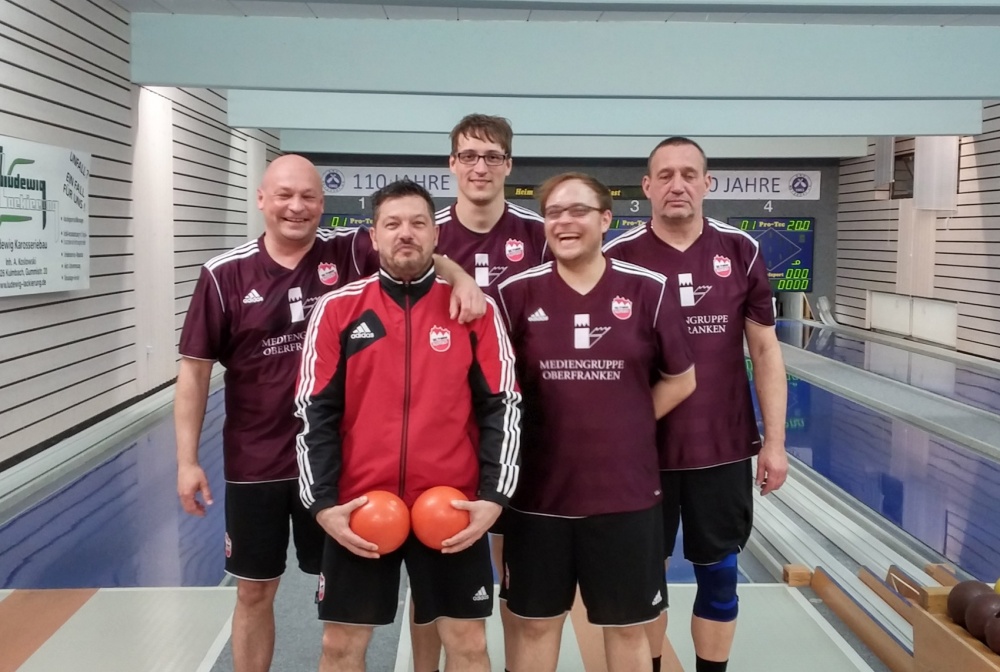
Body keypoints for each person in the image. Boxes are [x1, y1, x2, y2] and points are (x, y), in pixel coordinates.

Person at [175, 156, 484, 672]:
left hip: (340, 465)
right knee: (254, 591)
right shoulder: (224, 274)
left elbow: (416, 251)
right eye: (284, 195)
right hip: (258, 460)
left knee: (346, 604)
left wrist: (461, 279)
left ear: (323, 203)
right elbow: (194, 371)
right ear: (261, 199)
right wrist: (187, 461)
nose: (296, 207)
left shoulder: (348, 251)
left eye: (308, 197)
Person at [295, 179, 522, 672]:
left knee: (468, 644)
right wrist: (324, 506)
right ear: (373, 236)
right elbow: (314, 413)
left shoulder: (473, 310)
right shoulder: (338, 309)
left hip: (452, 508)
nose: (406, 233)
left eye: (419, 223)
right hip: (360, 509)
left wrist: (493, 497)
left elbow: (503, 405)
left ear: (435, 236)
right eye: (392, 223)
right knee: (339, 646)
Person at [496, 173, 696, 672]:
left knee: (627, 627)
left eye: (578, 211)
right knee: (535, 625)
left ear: (606, 219)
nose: (564, 222)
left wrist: (629, 422)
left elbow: (681, 379)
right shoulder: (515, 293)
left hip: (625, 495)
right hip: (538, 496)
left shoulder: (647, 290)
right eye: (553, 213)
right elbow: (494, 390)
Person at [603, 137, 789, 672]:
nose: (677, 185)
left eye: (689, 174)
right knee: (645, 581)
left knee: (720, 577)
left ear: (708, 183)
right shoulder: (619, 256)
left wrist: (775, 443)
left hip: (722, 447)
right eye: (665, 175)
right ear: (647, 187)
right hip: (644, 453)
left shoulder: (740, 249)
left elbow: (765, 350)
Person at [416, 113, 547, 672]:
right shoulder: (428, 232)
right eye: (468, 156)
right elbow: (388, 255)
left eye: (492, 157)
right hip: (443, 424)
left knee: (516, 571)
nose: (480, 167)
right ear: (452, 164)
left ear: (508, 166)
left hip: (521, 418)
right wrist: (452, 269)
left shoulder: (538, 234)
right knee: (433, 570)